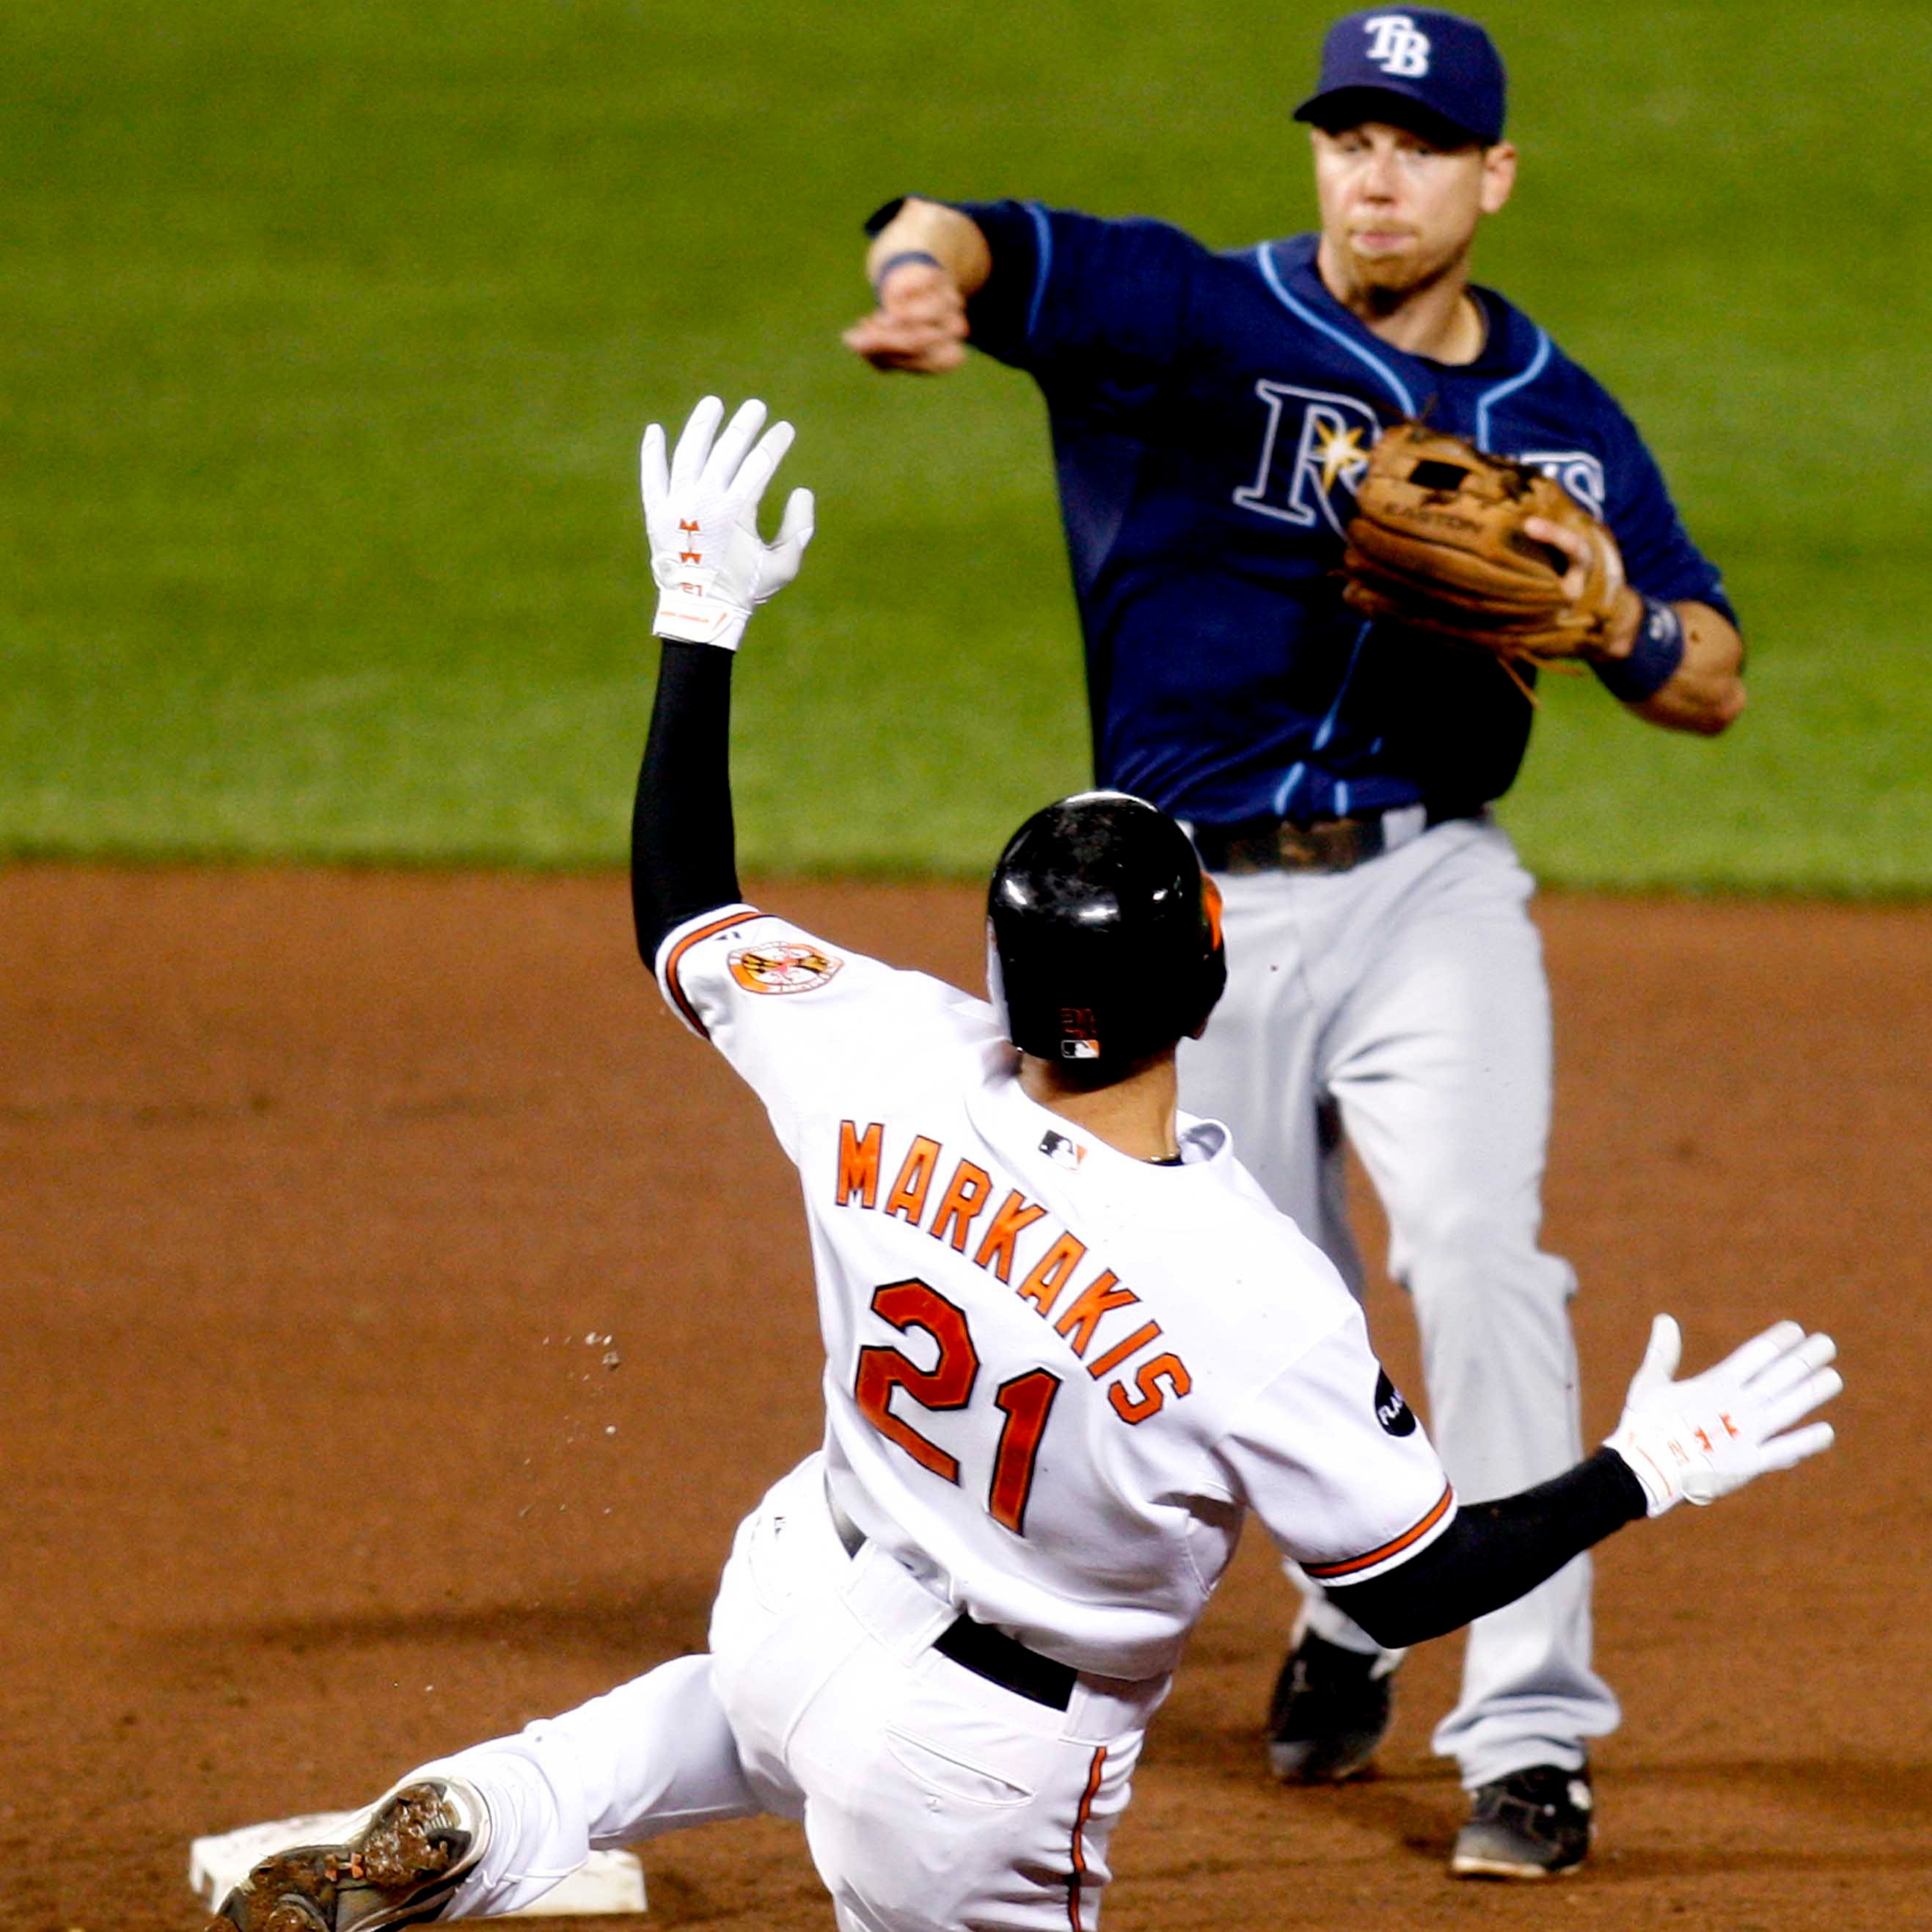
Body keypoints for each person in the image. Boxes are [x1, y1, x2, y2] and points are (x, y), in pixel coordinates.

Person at [210, 399, 1834, 1932]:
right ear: (1207, 980)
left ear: (1002, 973)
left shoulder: (879, 1049)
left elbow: (683, 915)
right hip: (978, 1757)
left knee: (664, 1743)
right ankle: (507, 1812)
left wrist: (697, 614)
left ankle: (486, 1820)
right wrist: (1649, 1463)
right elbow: (1413, 1585)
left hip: (795, 1588)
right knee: (797, 1764)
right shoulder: (1250, 1288)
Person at [842, 5, 1748, 1877]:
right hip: (1202, 899)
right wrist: (925, 285)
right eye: (1346, 139)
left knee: (1486, 1252)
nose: (1376, 175)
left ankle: (1530, 1736)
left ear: (1491, 175)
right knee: (1278, 1297)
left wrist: (1624, 630)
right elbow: (964, 222)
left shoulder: (1558, 423)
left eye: (1416, 146)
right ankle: (1355, 1609)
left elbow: (1714, 672)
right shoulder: (1197, 317)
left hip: (1433, 882)